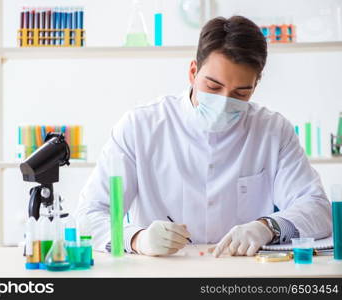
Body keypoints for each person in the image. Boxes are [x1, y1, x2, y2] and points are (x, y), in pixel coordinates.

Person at [75, 16, 332, 257]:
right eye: (213, 87)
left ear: (255, 86)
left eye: (240, 93)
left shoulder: (273, 130)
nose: (223, 103)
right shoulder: (140, 127)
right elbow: (89, 215)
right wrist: (136, 239)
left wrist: (269, 227)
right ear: (192, 72)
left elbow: (318, 209)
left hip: (243, 275)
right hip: (160, 274)